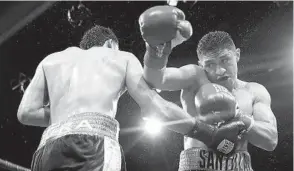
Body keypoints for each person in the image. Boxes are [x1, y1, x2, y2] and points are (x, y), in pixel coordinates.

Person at [16, 25, 204, 171]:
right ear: (110, 44)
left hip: (47, 150)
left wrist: (66, 116)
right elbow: (156, 108)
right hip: (92, 146)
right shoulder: (120, 57)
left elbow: (26, 113)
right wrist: (204, 132)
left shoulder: (51, 60)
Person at [140, 6, 278, 171]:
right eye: (210, 64)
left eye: (225, 60)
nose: (219, 71)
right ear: (201, 65)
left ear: (237, 55)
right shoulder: (195, 77)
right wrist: (157, 49)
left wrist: (240, 117)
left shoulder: (254, 91)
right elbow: (156, 80)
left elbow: (270, 140)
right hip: (196, 164)